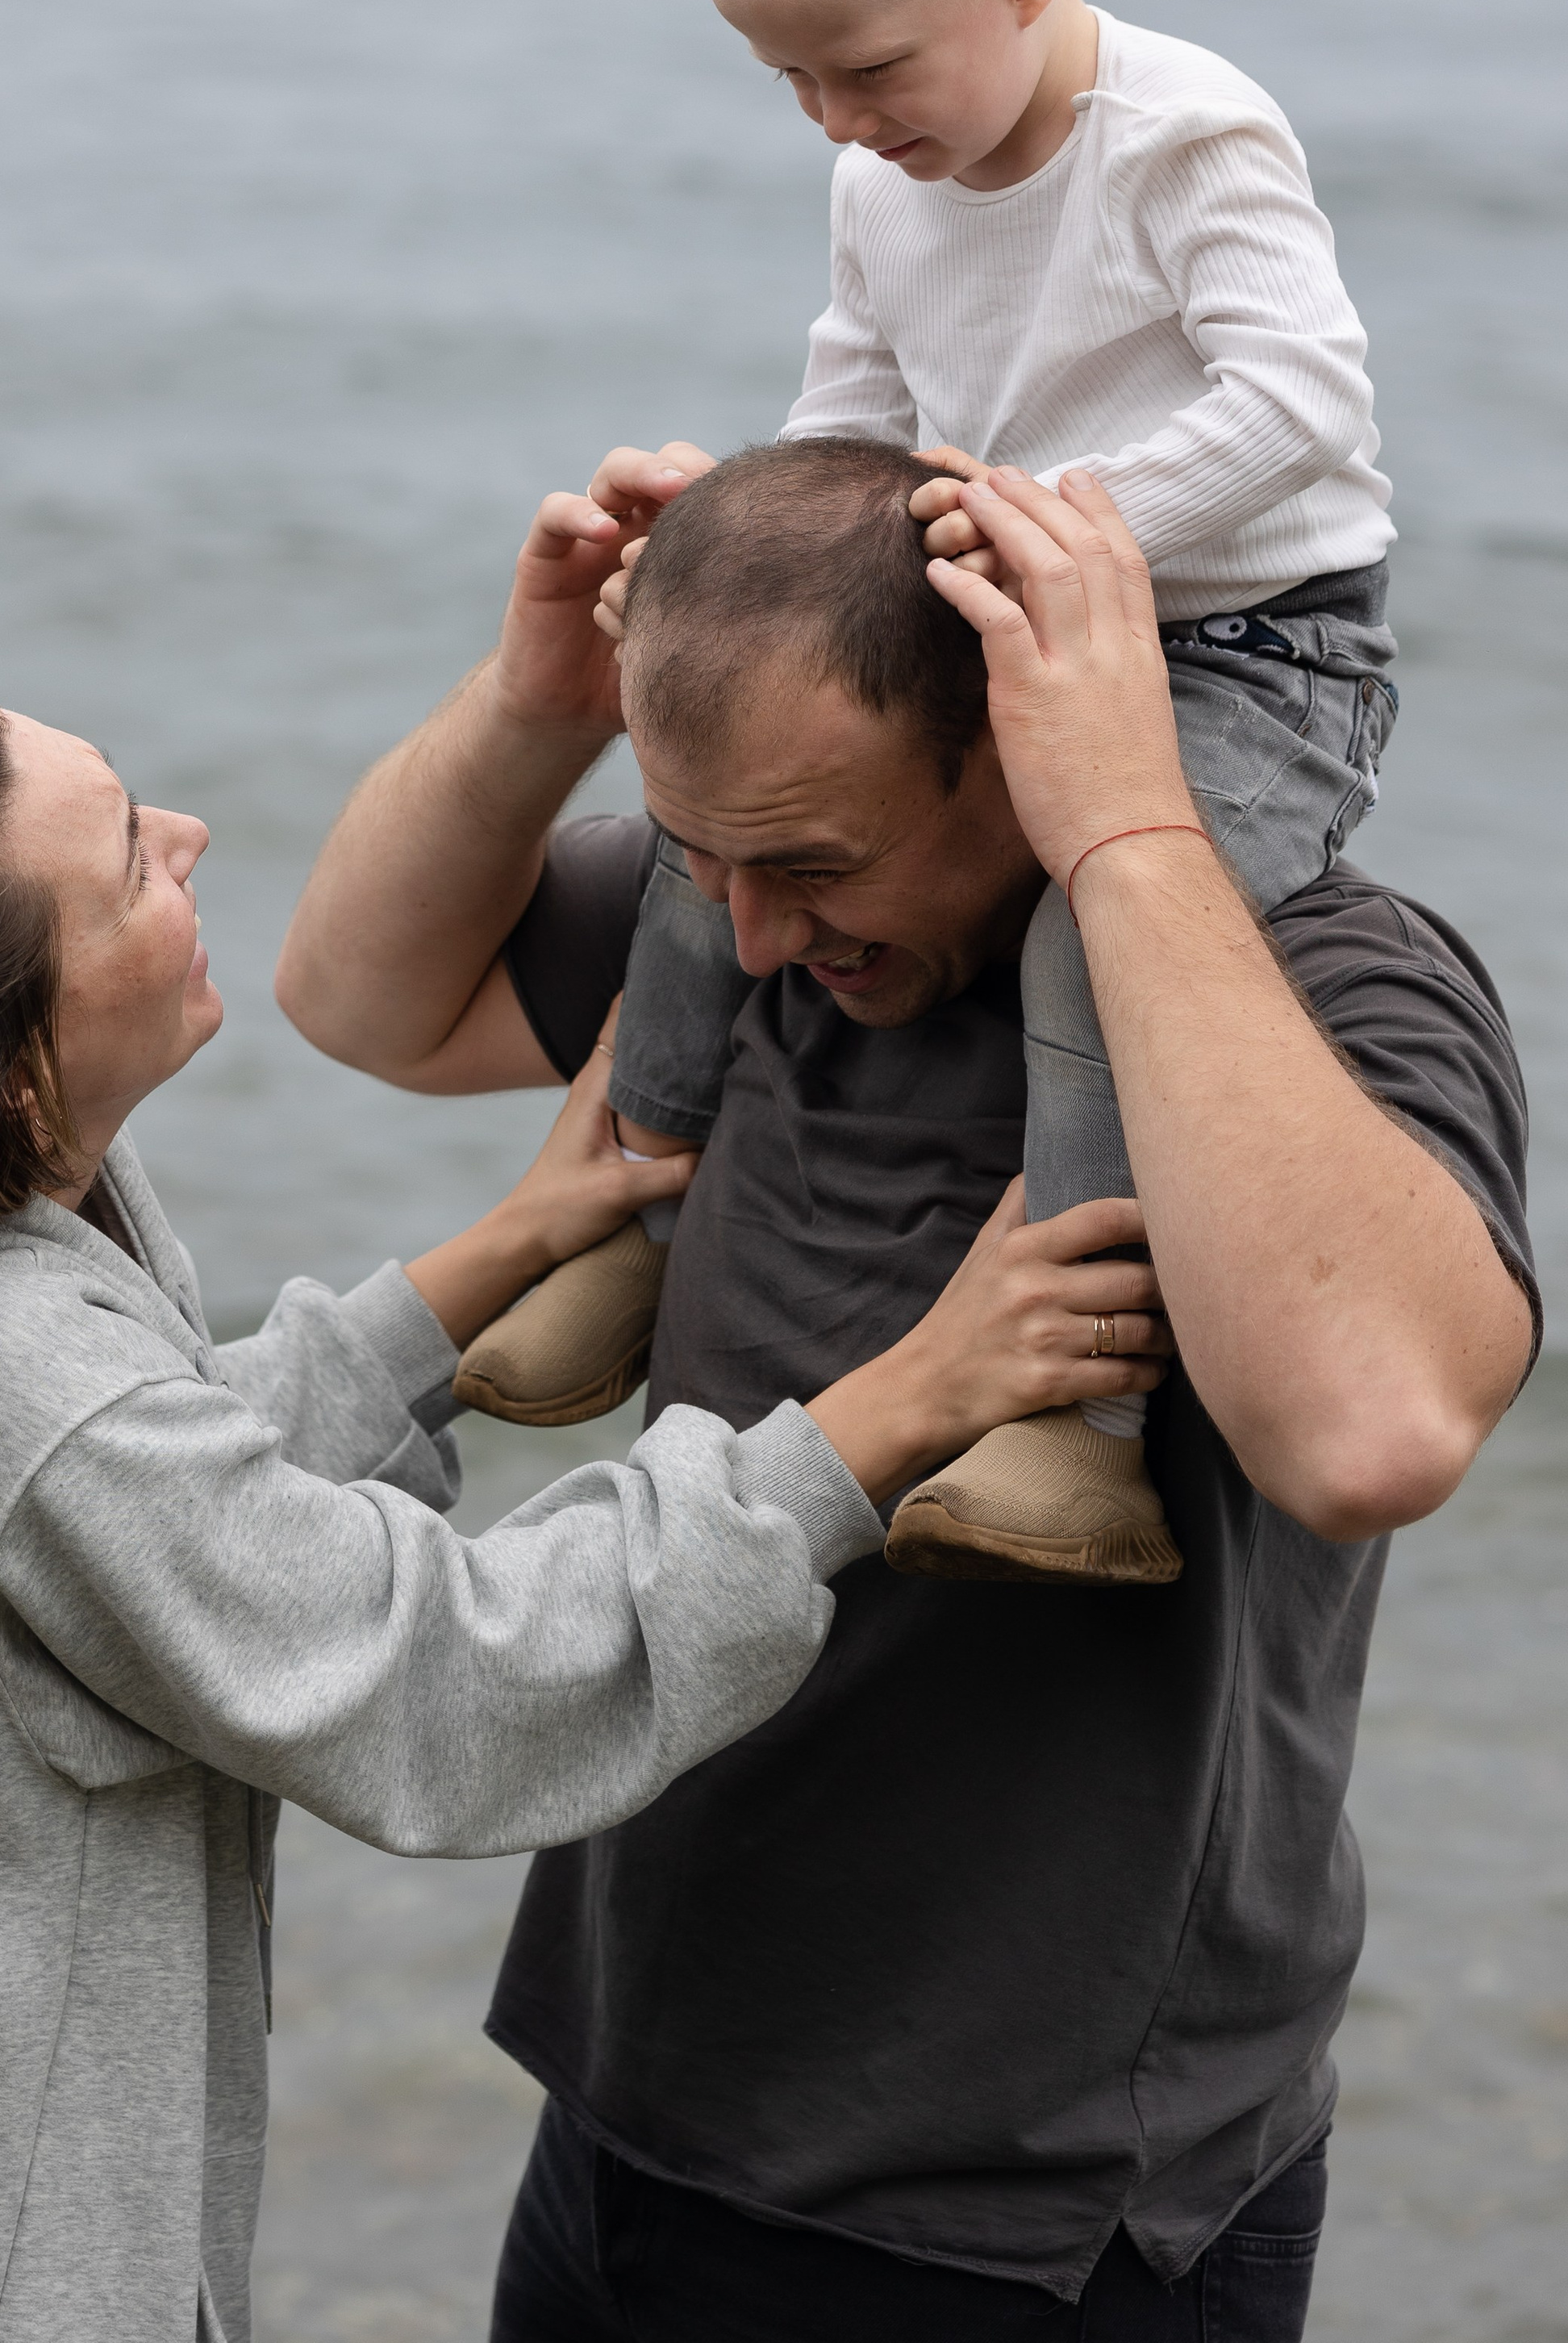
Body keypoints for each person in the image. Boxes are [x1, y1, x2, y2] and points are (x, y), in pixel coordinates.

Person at [0, 659, 1157, 2343]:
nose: (189, 835)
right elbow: (450, 1678)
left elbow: (140, 1515)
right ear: (15, 1070)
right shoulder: (16, 1378)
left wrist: (494, 1260)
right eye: (126, 863)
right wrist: (901, 1403)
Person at [273, 444, 1536, 2341]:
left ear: (1021, 742)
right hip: (633, 2107)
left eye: (810, 869)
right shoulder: (749, 906)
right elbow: (358, 998)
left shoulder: (1319, 983)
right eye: (705, 860)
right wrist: (537, 703)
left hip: (1026, 2212)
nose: (756, 934)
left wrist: (1127, 827)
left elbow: (1372, 1436)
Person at [457, 0, 1399, 1591]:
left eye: (867, 66)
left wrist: (1072, 526)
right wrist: (726, 555)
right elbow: (852, 409)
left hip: (1247, 646)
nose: (835, 119)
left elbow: (1301, 401)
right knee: (710, 836)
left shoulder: (1186, 137)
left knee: (1081, 940)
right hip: (997, 588)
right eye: (785, 80)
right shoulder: (879, 176)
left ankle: (1080, 1425)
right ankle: (633, 1217)